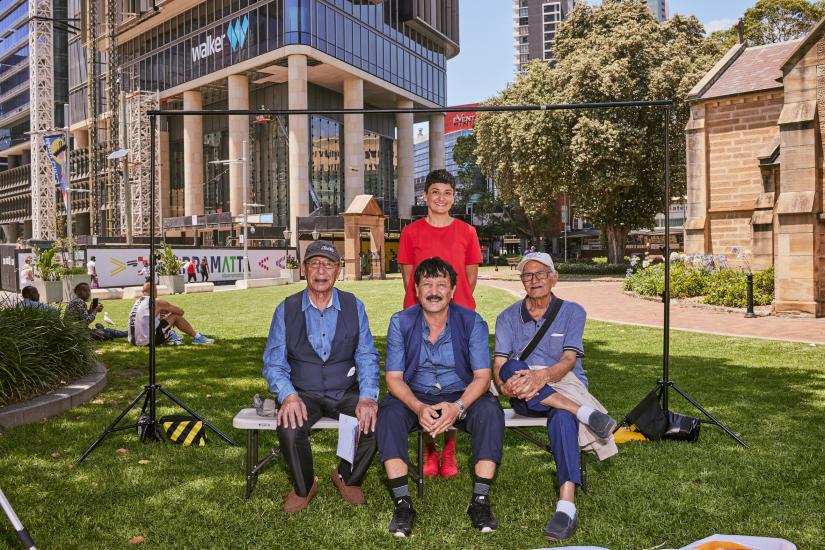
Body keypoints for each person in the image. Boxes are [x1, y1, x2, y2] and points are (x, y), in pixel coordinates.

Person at [493, 252, 617, 542]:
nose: (534, 280)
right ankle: (585, 413)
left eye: (540, 274)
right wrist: (503, 385)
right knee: (512, 366)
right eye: (527, 275)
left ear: (553, 277)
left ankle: (566, 506)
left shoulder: (573, 311)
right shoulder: (507, 317)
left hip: (561, 383)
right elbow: (499, 364)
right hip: (523, 393)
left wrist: (541, 376)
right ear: (521, 280)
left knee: (562, 417)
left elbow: (568, 361)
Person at [376, 257, 504, 537]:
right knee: (388, 415)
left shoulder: (472, 322)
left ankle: (480, 500)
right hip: (416, 392)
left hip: (462, 391)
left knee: (491, 412)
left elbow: (482, 376)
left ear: (453, 290)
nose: (434, 291)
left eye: (441, 285)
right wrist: (419, 407)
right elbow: (394, 379)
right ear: (417, 291)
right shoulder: (401, 322)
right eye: (427, 285)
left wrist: (457, 407)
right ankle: (403, 502)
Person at [262, 240, 380, 513]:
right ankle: (304, 486)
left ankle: (346, 476)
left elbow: (367, 356)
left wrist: (367, 397)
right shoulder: (286, 309)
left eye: (328, 264)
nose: (321, 271)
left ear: (338, 270)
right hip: (304, 392)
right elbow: (274, 363)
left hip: (345, 390)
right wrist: (288, 395)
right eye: (314, 263)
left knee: (374, 422)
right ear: (304, 269)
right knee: (290, 428)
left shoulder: (354, 305)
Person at [397, 169, 484, 479]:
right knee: (421, 376)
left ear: (454, 197)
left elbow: (470, 277)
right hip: (420, 313)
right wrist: (426, 305)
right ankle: (429, 447)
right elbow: (410, 277)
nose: (441, 198)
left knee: (455, 377)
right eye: (435, 192)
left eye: (447, 193)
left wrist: (453, 306)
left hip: (458, 312)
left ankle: (448, 446)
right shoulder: (411, 233)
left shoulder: (467, 232)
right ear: (425, 196)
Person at [127, 282, 214, 346]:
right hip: (147, 342)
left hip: (133, 341)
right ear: (155, 291)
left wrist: (162, 311)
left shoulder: (138, 301)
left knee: (159, 315)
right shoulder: (156, 301)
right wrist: (167, 311)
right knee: (175, 316)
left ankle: (171, 334)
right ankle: (197, 337)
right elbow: (181, 312)